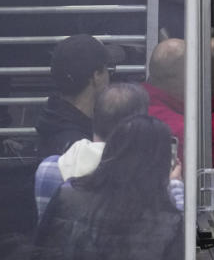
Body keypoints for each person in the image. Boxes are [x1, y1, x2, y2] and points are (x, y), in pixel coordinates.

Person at [33, 115, 184, 260]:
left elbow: (41, 249)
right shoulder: (168, 219)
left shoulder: (66, 193)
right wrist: (175, 187)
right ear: (161, 163)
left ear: (110, 149)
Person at [33, 83, 181, 222]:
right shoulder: (144, 180)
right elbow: (178, 231)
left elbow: (46, 229)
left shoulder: (48, 169)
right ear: (139, 126)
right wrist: (174, 184)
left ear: (94, 115)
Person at [142, 37, 214, 205]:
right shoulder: (185, 131)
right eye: (197, 72)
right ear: (183, 77)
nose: (200, 77)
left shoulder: (129, 102)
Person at [35, 35, 123, 159]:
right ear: (96, 76)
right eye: (108, 70)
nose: (109, 77)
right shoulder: (81, 149)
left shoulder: (53, 122)